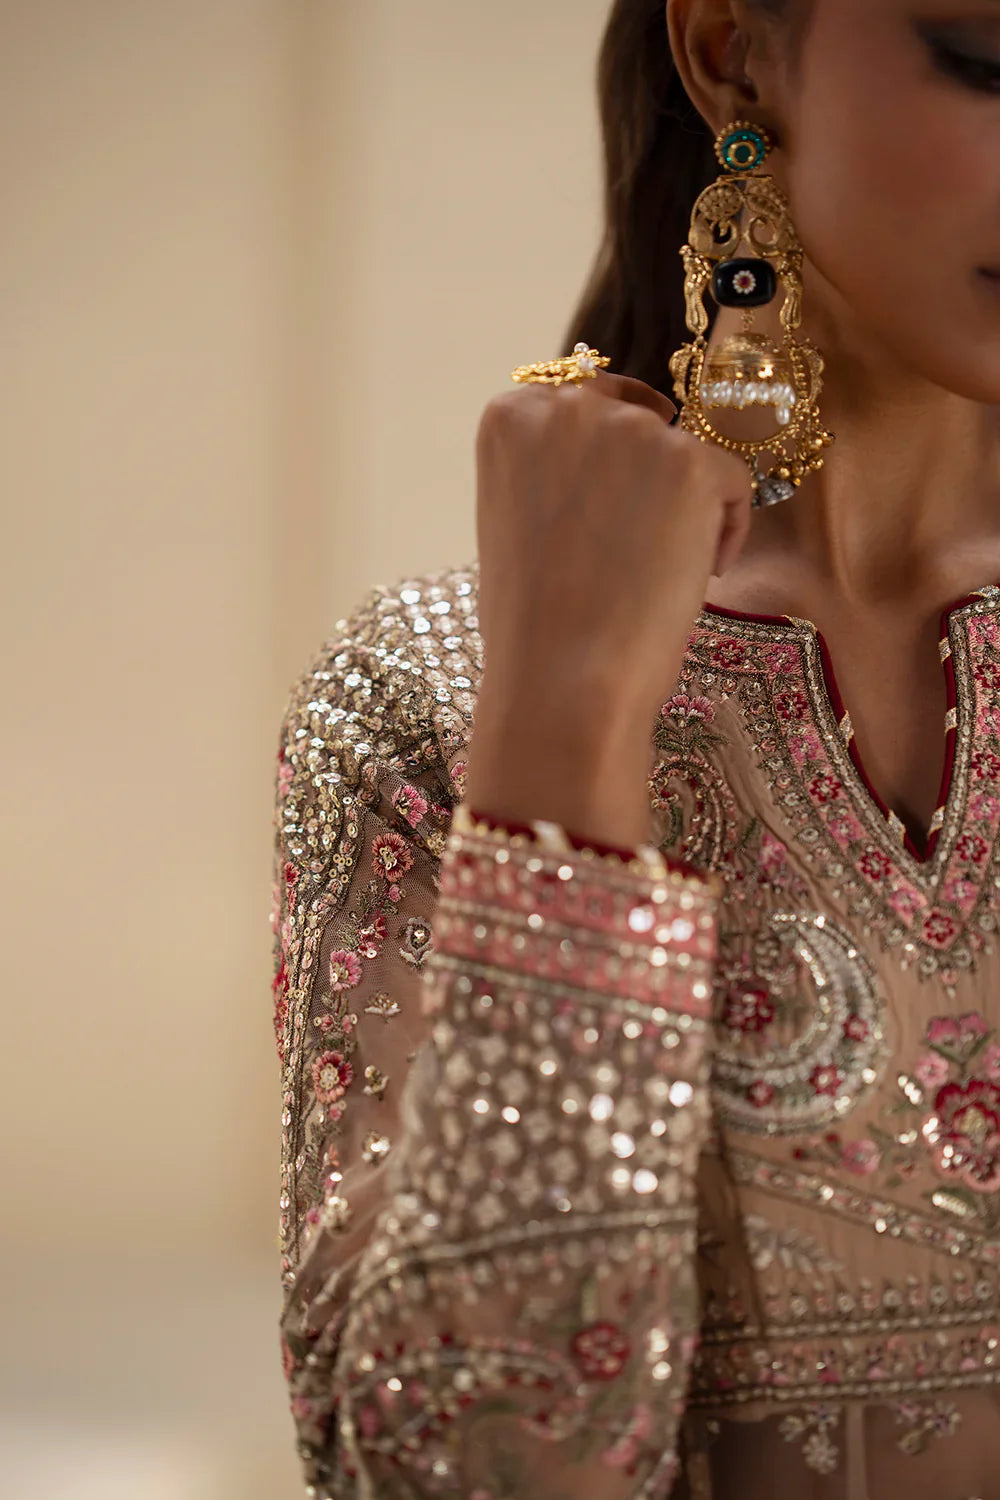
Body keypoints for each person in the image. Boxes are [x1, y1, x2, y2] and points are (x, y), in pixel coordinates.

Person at [269, 1, 1000, 1495]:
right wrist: (562, 720)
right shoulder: (435, 699)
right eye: (987, 63)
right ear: (732, 48)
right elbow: (469, 1467)